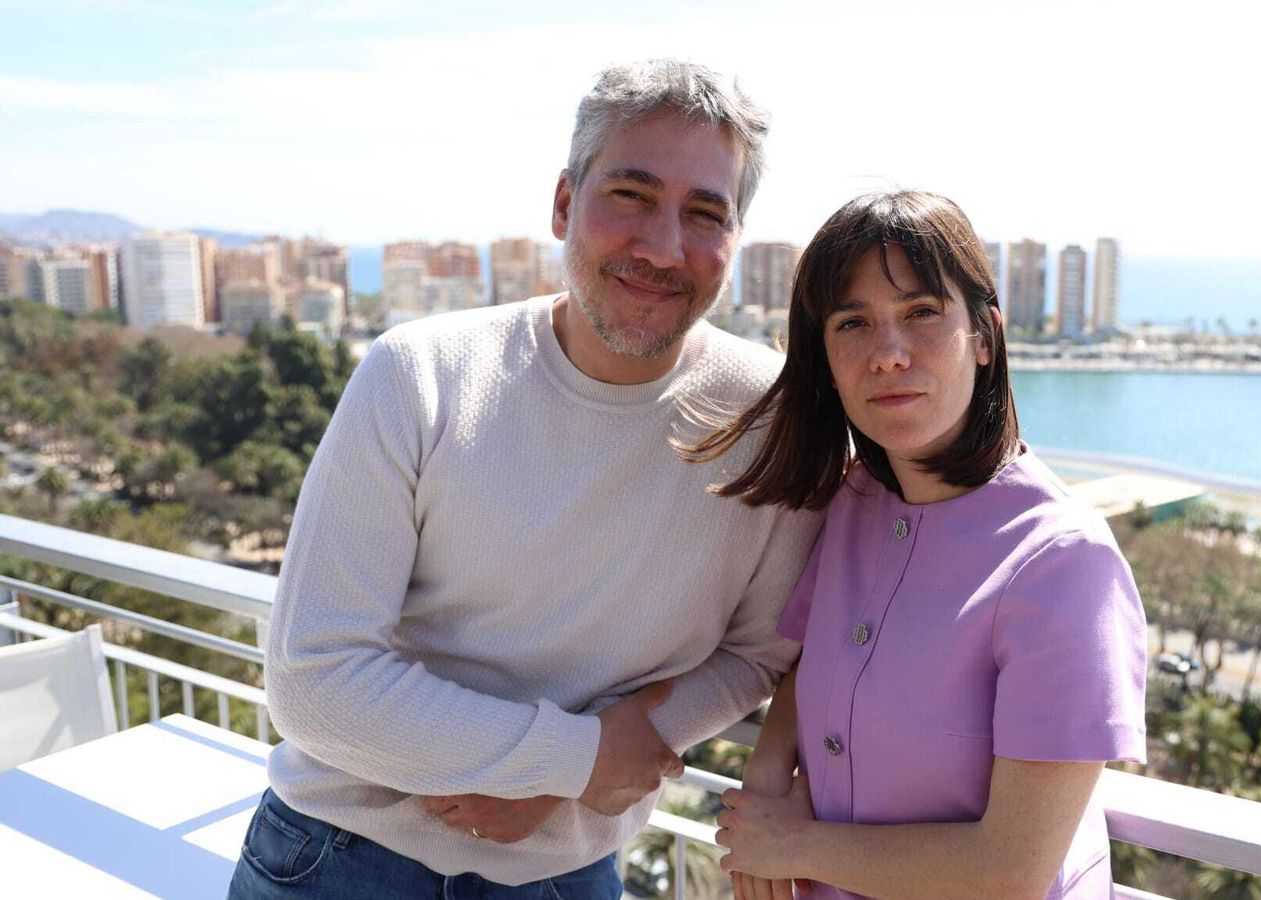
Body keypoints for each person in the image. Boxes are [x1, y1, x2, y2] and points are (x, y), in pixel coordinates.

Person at [228, 60, 820, 899]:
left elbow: (758, 651)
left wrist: (563, 778)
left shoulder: (771, 426)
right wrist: (571, 759)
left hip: (565, 875)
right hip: (336, 856)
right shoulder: (420, 374)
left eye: (703, 213)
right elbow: (313, 683)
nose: (663, 246)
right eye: (631, 195)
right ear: (563, 203)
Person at [693, 191, 1148, 899]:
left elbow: (1010, 869)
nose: (887, 354)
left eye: (921, 313)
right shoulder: (855, 502)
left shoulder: (1063, 565)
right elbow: (811, 659)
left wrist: (791, 846)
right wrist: (765, 775)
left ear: (986, 337)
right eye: (854, 323)